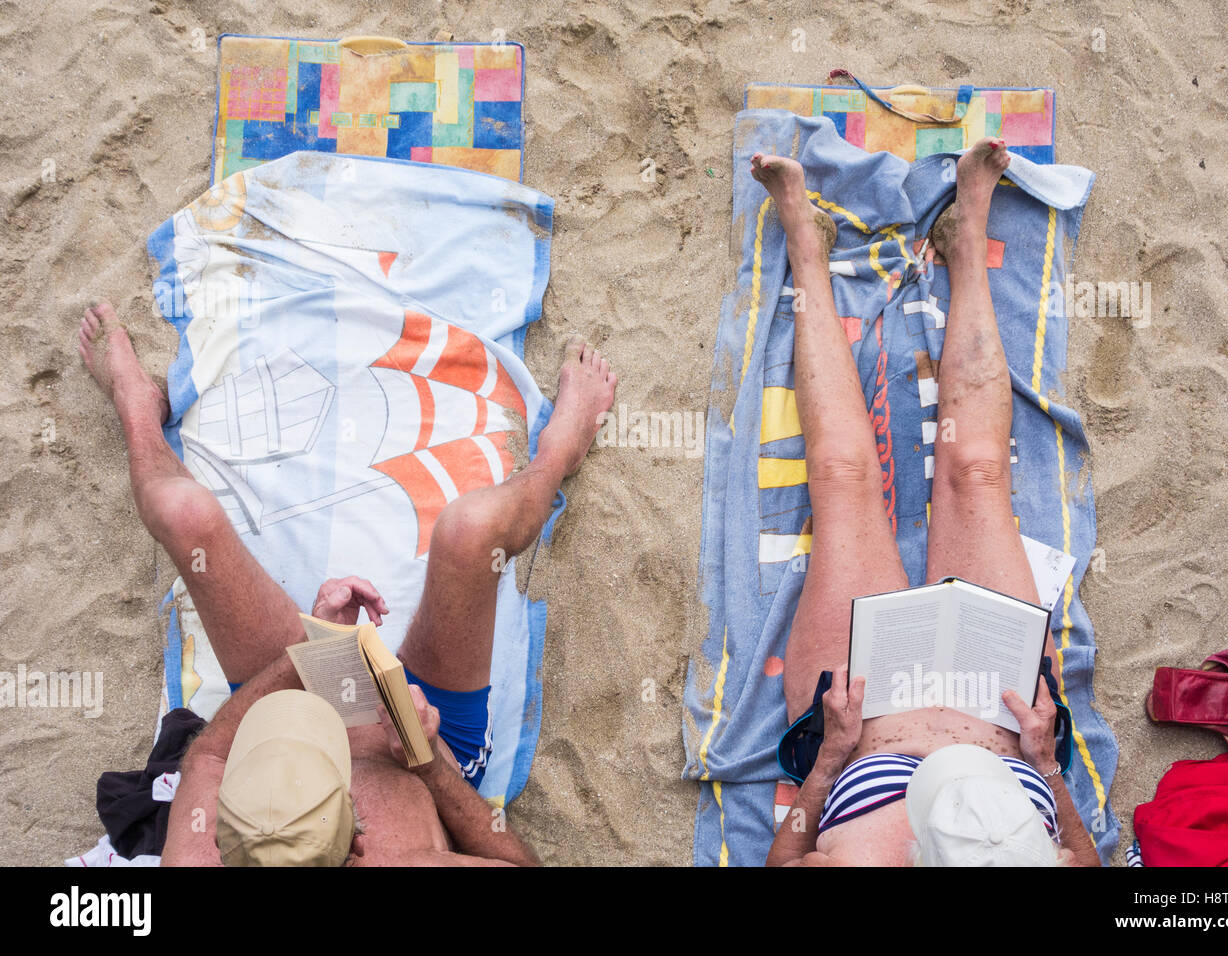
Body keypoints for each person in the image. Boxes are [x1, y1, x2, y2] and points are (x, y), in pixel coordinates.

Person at [76, 302, 617, 865]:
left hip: (278, 710)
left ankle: (137, 406)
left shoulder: (207, 852)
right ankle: (558, 454)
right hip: (422, 741)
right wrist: (428, 758)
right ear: (360, 844)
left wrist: (312, 655)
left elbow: (207, 758)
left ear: (223, 839)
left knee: (185, 516)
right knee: (469, 534)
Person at [751, 139, 1100, 866]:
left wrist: (827, 764)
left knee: (844, 483)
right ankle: (964, 244)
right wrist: (1043, 764)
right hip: (1001, 717)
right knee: (975, 473)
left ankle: (806, 249)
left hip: (865, 727)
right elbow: (1084, 859)